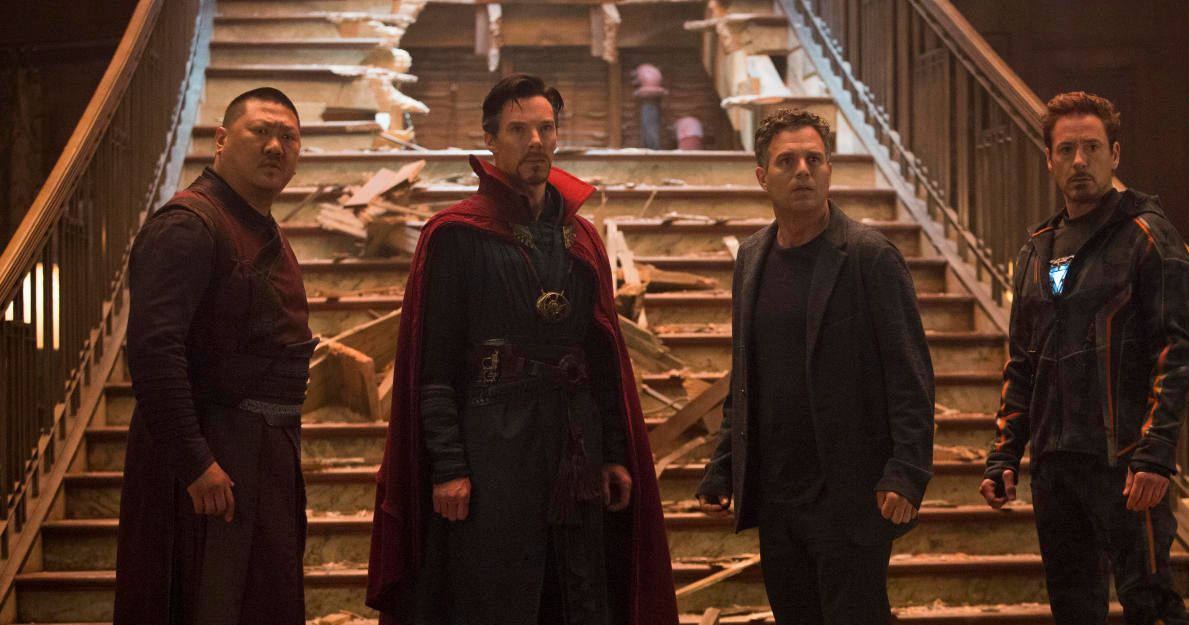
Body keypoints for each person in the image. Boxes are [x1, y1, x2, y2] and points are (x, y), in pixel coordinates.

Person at [366, 74, 677, 625]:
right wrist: (448, 466)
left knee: (576, 595)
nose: (535, 141)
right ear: (490, 140)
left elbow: (602, 358)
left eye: (545, 128)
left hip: (574, 445)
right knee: (496, 598)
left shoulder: (581, 238)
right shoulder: (455, 234)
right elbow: (433, 366)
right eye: (518, 129)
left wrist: (612, 452)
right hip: (491, 452)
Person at [696, 109, 935, 625]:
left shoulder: (870, 257)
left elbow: (910, 376)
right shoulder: (752, 258)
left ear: (829, 170)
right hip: (778, 496)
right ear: (762, 176)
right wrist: (724, 465)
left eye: (814, 159)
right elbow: (746, 377)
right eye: (787, 161)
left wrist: (907, 471)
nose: (802, 170)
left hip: (849, 492)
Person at [980, 91, 1189, 624]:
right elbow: (1023, 363)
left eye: (1092, 147)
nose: (1080, 161)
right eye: (1067, 149)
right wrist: (1004, 454)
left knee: (1151, 604)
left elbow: (1176, 352)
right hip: (1054, 466)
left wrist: (1155, 455)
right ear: (1049, 159)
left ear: (1114, 154)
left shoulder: (1148, 235)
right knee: (1073, 610)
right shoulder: (1037, 250)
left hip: (1123, 461)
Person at [114, 87, 316, 625]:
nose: (275, 146)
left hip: (259, 452)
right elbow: (154, 353)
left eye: (289, 137)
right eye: (261, 131)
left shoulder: (258, 226)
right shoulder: (188, 225)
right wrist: (196, 461)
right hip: (211, 459)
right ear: (221, 139)